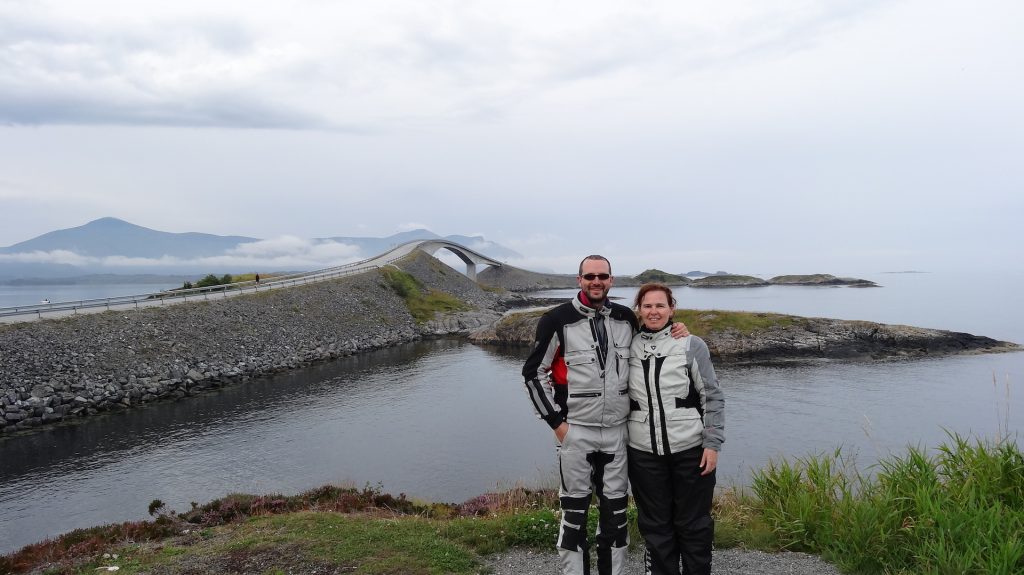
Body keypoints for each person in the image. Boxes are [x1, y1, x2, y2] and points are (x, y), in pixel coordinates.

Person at [522, 256, 687, 575]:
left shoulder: (627, 317)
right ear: (579, 279)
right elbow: (533, 373)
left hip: (616, 434)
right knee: (574, 514)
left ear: (611, 280)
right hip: (576, 433)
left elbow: (651, 344)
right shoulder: (556, 319)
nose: (596, 281)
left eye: (603, 276)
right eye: (590, 276)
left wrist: (678, 329)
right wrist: (557, 424)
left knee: (615, 515)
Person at [627, 283, 724, 575]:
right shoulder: (627, 345)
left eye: (660, 305)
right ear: (639, 310)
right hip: (643, 452)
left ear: (672, 309)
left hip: (690, 450)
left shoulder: (691, 344)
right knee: (655, 526)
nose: (654, 311)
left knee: (693, 524)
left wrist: (713, 443)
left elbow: (712, 395)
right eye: (647, 306)